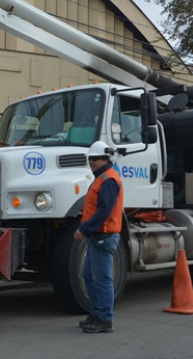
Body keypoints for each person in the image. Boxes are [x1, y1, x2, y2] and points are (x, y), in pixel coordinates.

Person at [74, 141, 123, 333]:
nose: (92, 162)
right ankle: (96, 314)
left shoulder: (108, 180)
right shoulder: (101, 178)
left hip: (103, 235)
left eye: (96, 158)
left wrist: (84, 229)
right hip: (98, 236)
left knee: (102, 279)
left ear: (106, 158)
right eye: (90, 158)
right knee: (89, 275)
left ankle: (105, 319)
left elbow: (104, 211)